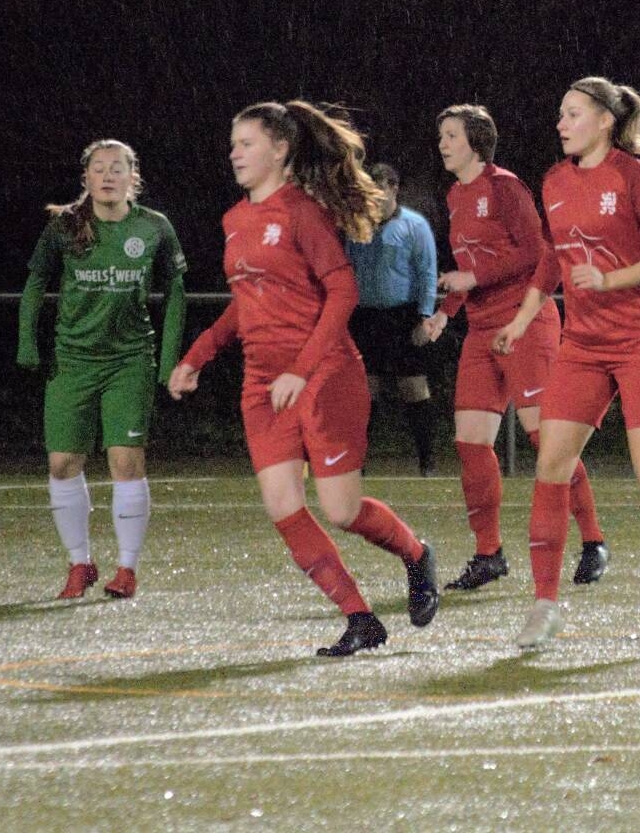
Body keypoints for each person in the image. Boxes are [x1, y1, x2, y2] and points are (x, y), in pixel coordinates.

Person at [168, 100, 439, 657]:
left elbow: (344, 292)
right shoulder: (235, 220)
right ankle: (360, 618)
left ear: (280, 149)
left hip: (324, 374)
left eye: (246, 143)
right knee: (284, 507)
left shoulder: (303, 212)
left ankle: (417, 555)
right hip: (263, 384)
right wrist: (197, 355)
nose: (234, 153)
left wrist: (301, 369)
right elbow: (246, 303)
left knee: (342, 511)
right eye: (233, 144)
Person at [493, 76, 640, 651]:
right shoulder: (553, 180)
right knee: (551, 465)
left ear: (604, 121)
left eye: (573, 114)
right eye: (560, 114)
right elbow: (551, 259)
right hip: (583, 344)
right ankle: (544, 606)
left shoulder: (634, 176)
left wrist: (610, 279)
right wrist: (521, 320)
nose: (561, 123)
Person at [425, 104, 608, 592]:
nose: (443, 143)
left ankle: (593, 541)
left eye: (451, 135)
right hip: (481, 330)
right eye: (441, 136)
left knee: (547, 440)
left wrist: (473, 277)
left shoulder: (505, 187)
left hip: (526, 324)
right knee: (470, 443)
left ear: (476, 142)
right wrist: (446, 313)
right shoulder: (455, 195)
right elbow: (469, 266)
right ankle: (489, 554)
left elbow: (536, 252)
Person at [18, 139, 187, 600]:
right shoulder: (65, 226)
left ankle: (126, 569)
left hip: (129, 361)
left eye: (118, 168)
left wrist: (168, 360)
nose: (108, 175)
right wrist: (27, 342)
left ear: (134, 177)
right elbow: (35, 281)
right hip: (72, 361)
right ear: (86, 178)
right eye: (99, 168)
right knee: (62, 463)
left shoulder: (154, 227)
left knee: (126, 462)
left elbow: (175, 291)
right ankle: (80, 563)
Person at [344, 162, 440, 477]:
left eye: (379, 190)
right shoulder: (358, 225)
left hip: (402, 316)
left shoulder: (415, 225)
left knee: (413, 387)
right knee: (364, 390)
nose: (373, 197)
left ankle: (427, 462)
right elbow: (348, 269)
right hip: (366, 317)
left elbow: (427, 273)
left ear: (393, 189)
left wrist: (424, 317)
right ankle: (356, 462)